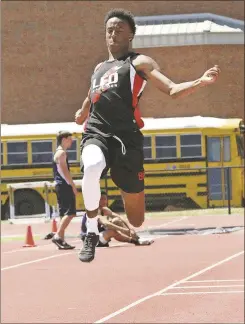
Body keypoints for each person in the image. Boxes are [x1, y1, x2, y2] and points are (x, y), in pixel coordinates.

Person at [75, 8, 221, 262]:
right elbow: (93, 94)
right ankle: (89, 232)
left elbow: (173, 90)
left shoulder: (138, 62)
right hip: (97, 132)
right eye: (109, 28)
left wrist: (200, 82)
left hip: (127, 140)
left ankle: (124, 186)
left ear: (131, 35)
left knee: (136, 220)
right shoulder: (99, 67)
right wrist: (82, 111)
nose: (113, 32)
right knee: (91, 167)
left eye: (119, 28)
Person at [80, 191, 154, 247]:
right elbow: (106, 223)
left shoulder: (104, 209)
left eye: (105, 199)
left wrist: (130, 229)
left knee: (116, 221)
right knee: (112, 231)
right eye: (102, 199)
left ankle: (137, 238)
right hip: (89, 240)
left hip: (98, 235)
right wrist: (124, 230)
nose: (104, 201)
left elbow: (119, 217)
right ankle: (134, 241)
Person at [51, 131, 78, 250]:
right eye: (70, 139)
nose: (71, 141)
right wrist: (72, 185)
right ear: (64, 139)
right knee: (70, 212)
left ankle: (61, 240)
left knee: (64, 214)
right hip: (64, 185)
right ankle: (58, 236)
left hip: (60, 185)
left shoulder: (58, 152)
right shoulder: (61, 153)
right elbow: (64, 172)